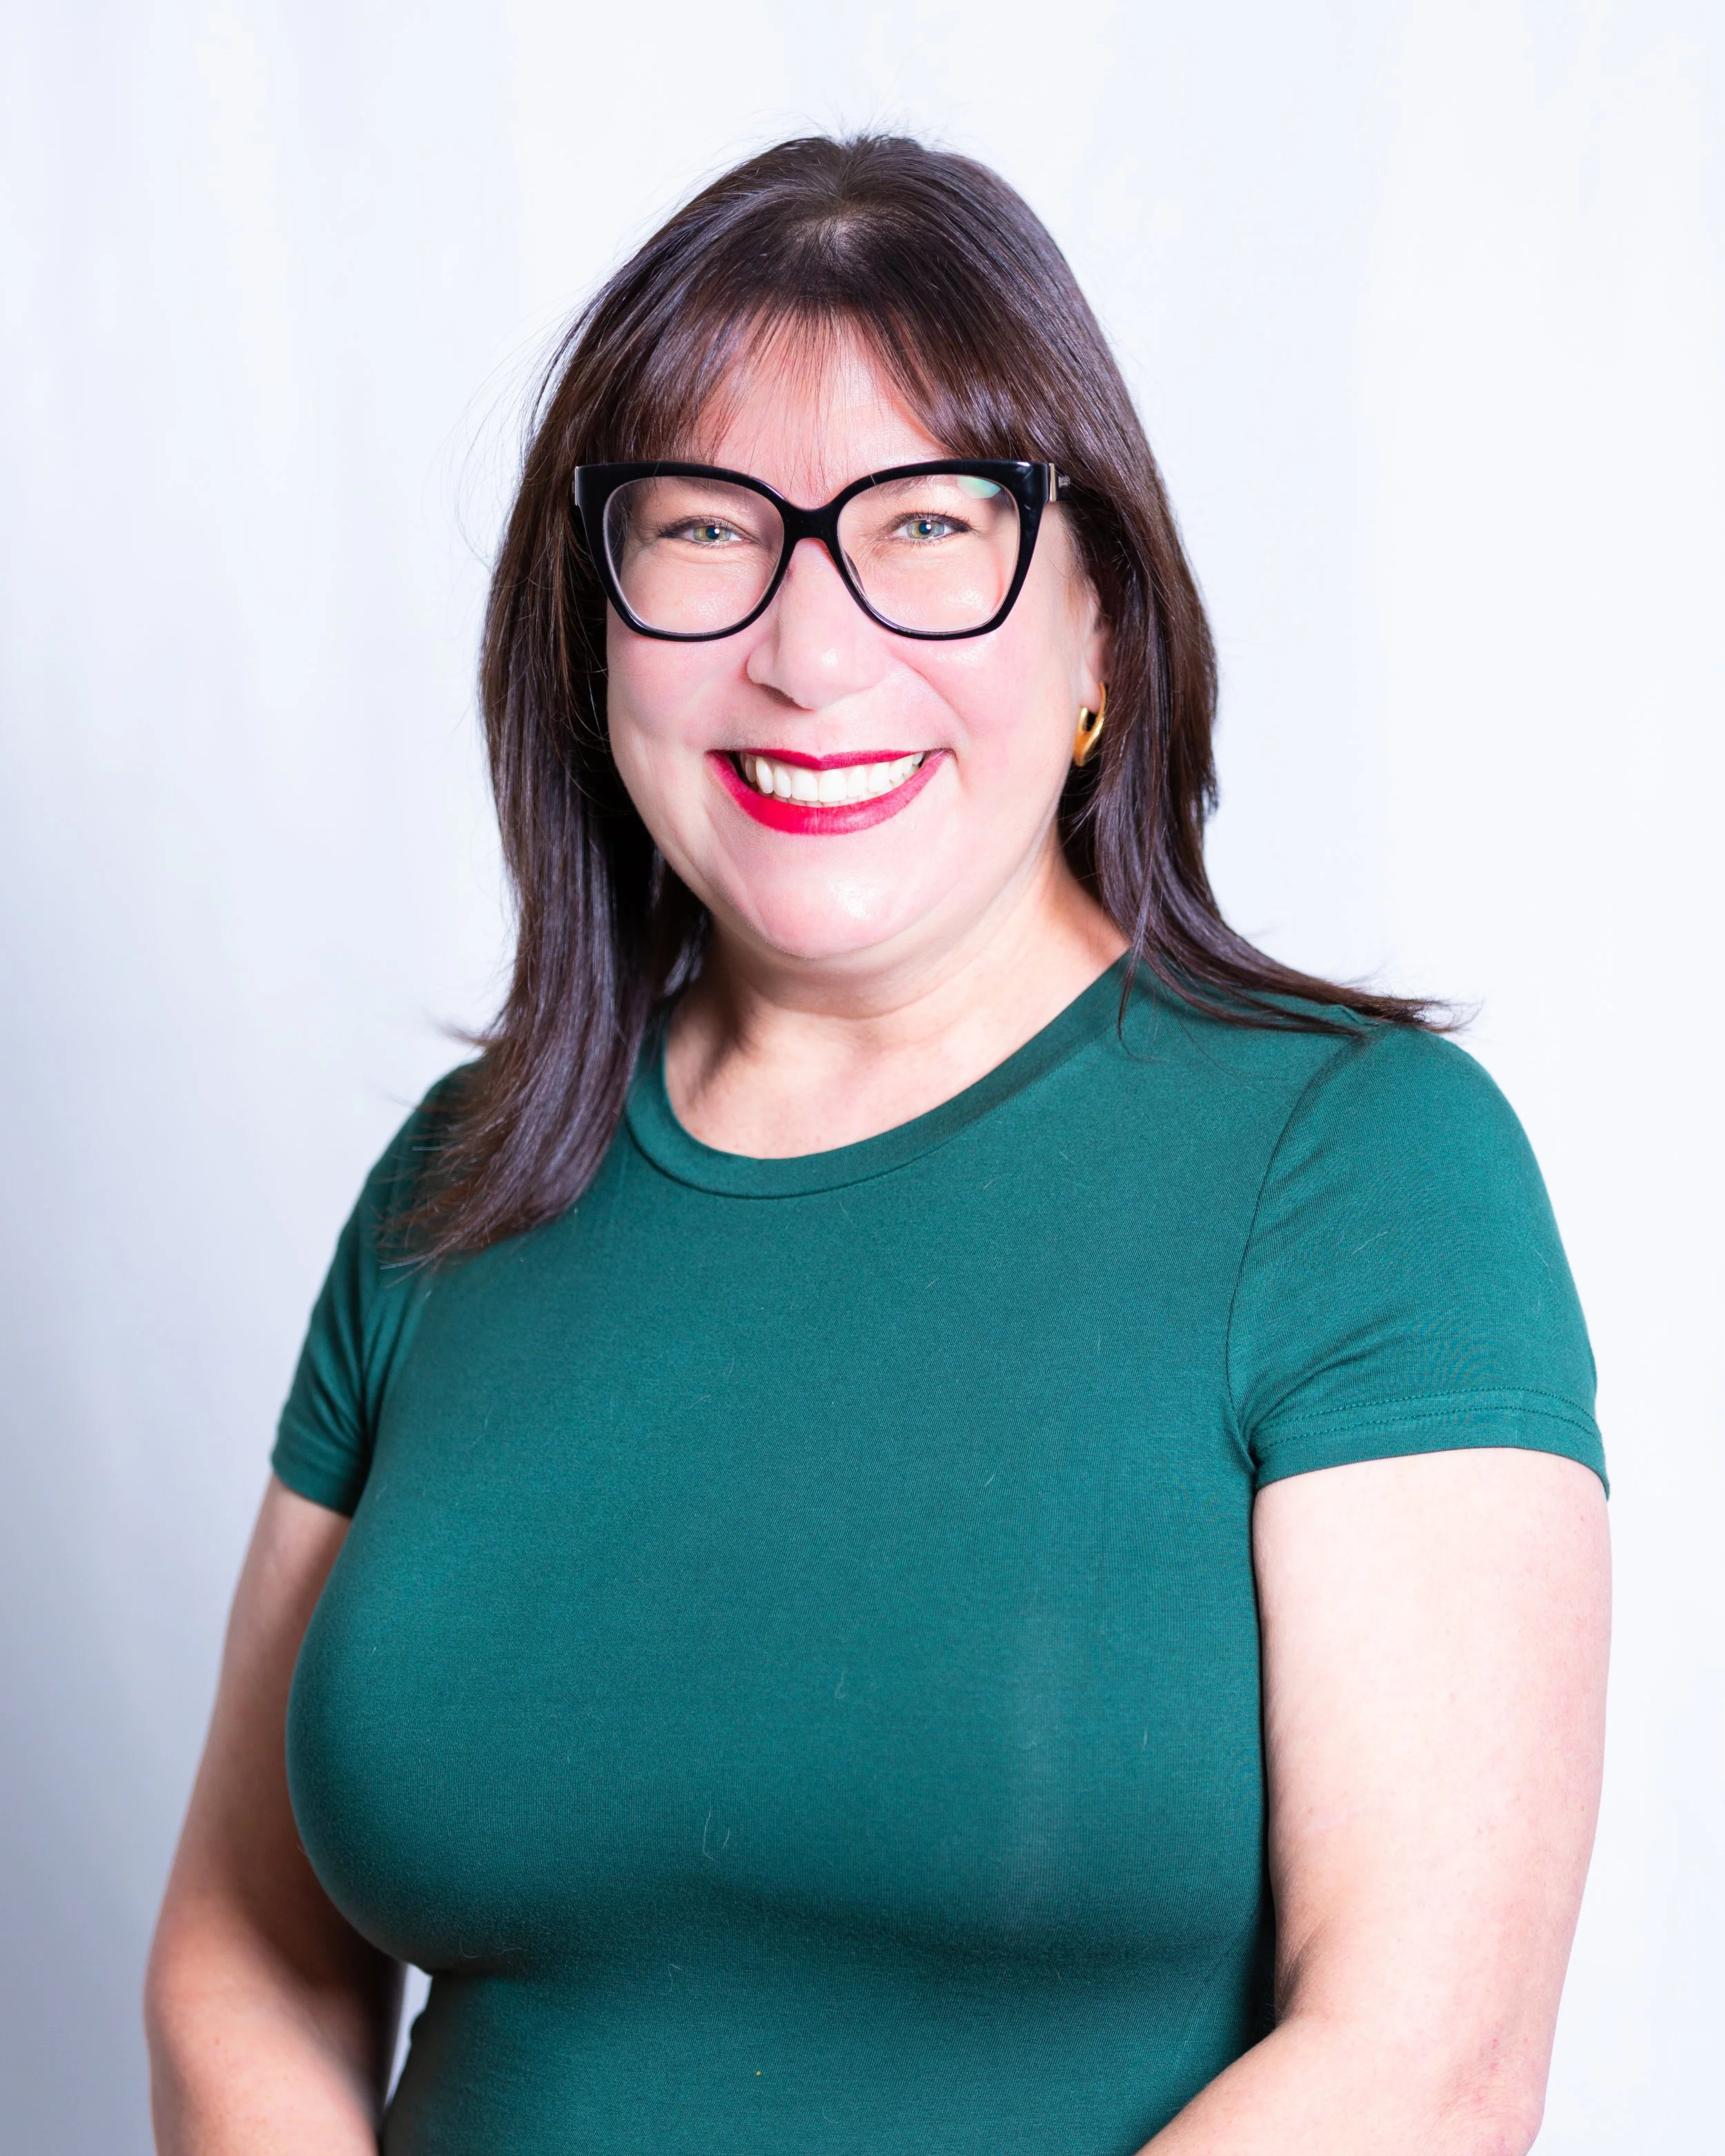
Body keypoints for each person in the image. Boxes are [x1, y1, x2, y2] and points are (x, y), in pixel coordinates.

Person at [144, 134, 1610, 2156]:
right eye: (705, 530)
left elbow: (1422, 2063)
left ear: (1103, 628)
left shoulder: (1354, 1169)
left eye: (928, 527)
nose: (809, 652)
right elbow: (244, 1953)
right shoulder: (449, 1187)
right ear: (593, 635)